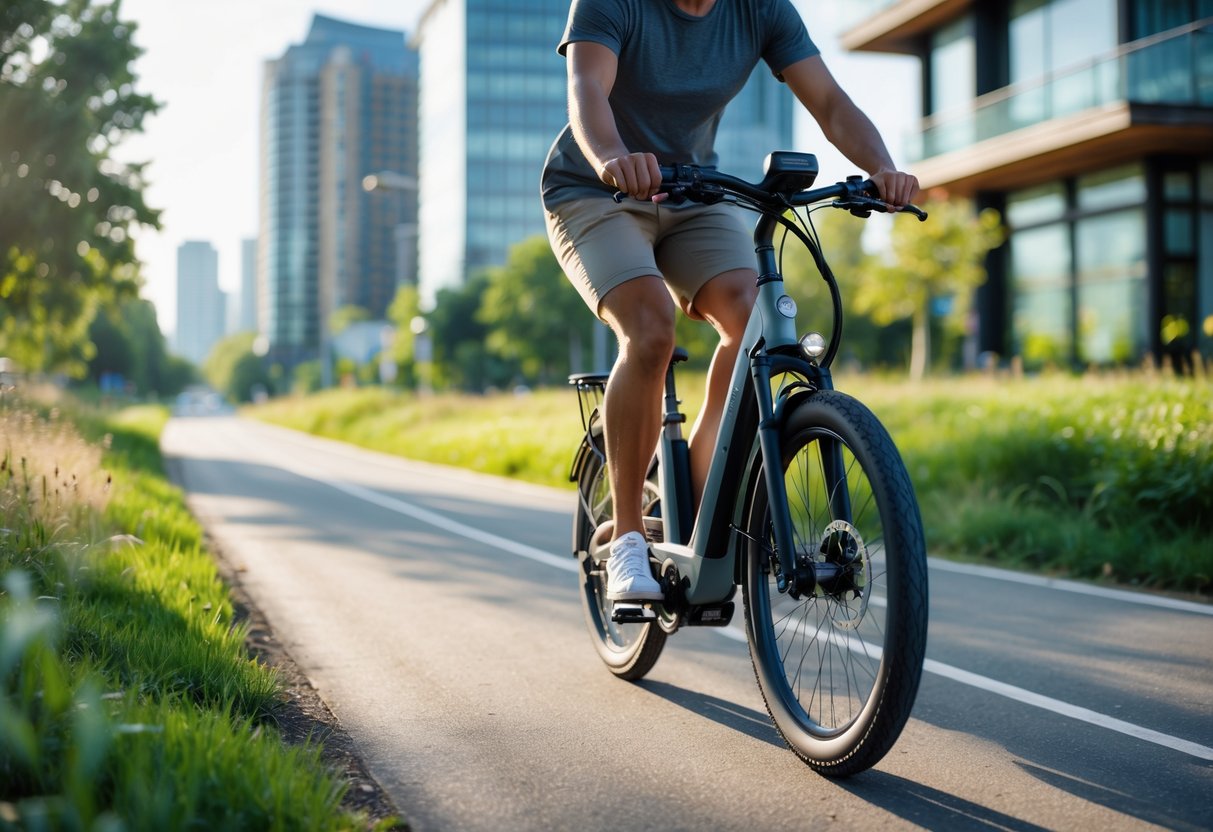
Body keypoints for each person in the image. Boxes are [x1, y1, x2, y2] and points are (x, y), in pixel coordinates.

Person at [541, 0, 919, 602]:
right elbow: (588, 88)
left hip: (694, 190)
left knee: (753, 320)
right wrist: (613, 158)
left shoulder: (761, 9)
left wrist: (883, 168)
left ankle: (689, 501)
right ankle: (630, 542)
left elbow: (829, 102)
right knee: (650, 329)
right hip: (595, 190)